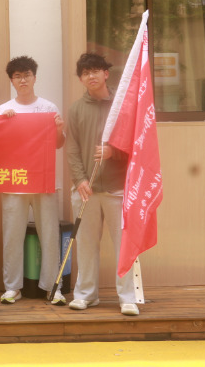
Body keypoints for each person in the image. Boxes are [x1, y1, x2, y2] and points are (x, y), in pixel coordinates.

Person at [65, 53, 138, 316]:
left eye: (96, 71)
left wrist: (112, 153)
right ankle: (86, 295)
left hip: (118, 188)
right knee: (85, 245)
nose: (91, 76)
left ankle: (127, 297)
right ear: (81, 79)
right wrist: (80, 180)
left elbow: (134, 143)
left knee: (123, 246)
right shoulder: (75, 109)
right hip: (87, 190)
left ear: (106, 73)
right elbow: (71, 148)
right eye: (85, 73)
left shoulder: (123, 105)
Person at [0, 56, 67, 305]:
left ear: (34, 77)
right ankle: (12, 287)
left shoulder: (48, 108)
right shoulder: (3, 110)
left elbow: (59, 143)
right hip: (13, 180)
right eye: (17, 76)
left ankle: (52, 287)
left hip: (43, 180)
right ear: (12, 81)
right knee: (12, 235)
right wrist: (3, 125)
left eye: (26, 75)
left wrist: (57, 128)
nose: (22, 80)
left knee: (49, 233)